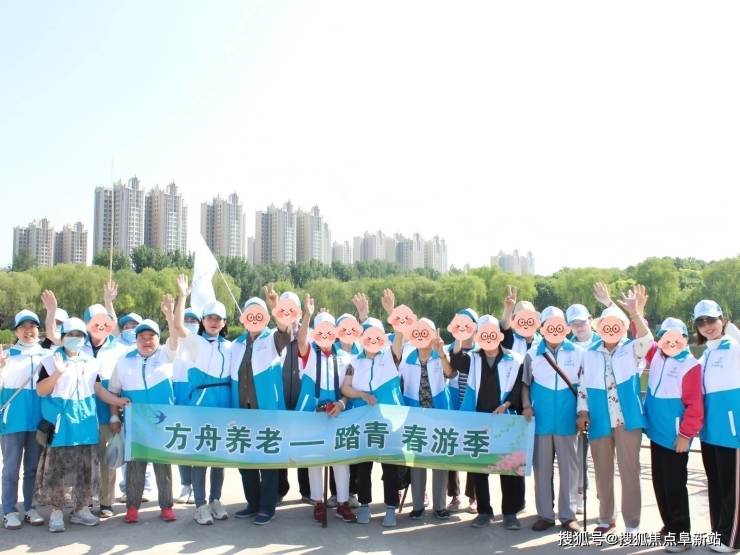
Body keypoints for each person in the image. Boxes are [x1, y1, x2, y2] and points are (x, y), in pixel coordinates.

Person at [35, 317, 129, 533]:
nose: (75, 339)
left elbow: (99, 389)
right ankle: (56, 512)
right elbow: (41, 390)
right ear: (63, 337)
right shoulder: (51, 360)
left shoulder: (91, 362)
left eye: (79, 335)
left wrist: (117, 401)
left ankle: (81, 509)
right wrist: (58, 372)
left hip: (85, 422)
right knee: (57, 470)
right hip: (61, 424)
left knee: (86, 469)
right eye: (70, 335)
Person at [577, 285, 652, 535]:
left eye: (615, 325)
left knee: (630, 471)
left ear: (622, 328)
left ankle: (632, 522)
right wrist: (583, 412)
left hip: (626, 419)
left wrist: (634, 313)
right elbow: (583, 386)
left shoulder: (631, 348)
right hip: (599, 419)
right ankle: (606, 518)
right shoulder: (589, 354)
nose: (610, 329)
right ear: (599, 328)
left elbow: (647, 339)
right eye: (605, 325)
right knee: (602, 471)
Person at [108, 299, 179, 524]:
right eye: (142, 337)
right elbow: (113, 391)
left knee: (163, 467)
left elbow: (175, 339)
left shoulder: (167, 355)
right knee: (135, 467)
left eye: (151, 337)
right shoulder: (124, 361)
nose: (147, 341)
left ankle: (166, 506)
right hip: (135, 424)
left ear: (158, 339)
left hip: (163, 423)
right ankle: (132, 508)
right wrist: (114, 416)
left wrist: (169, 316)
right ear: (136, 339)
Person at [171, 275, 234, 525]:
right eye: (209, 318)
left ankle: (215, 499)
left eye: (218, 319)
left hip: (223, 405)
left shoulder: (231, 347)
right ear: (203, 321)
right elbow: (178, 326)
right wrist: (182, 296)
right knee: (200, 457)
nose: (214, 322)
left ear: (224, 322)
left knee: (219, 459)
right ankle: (200, 505)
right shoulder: (195, 342)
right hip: (201, 406)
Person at [340, 289, 405, 527]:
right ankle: (365, 505)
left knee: (390, 467)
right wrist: (362, 395)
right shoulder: (354, 362)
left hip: (389, 422)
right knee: (363, 466)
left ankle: (390, 508)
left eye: (377, 336)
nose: (372, 340)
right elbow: (345, 388)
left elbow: (400, 334)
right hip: (363, 422)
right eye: (367, 335)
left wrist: (392, 311)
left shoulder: (390, 357)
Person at [454, 314, 525, 529]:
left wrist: (507, 404)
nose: (488, 337)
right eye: (483, 334)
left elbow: (519, 387)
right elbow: (456, 361)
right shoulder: (473, 358)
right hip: (479, 418)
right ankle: (484, 511)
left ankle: (510, 513)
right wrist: (459, 335)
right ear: (478, 336)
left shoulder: (515, 359)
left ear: (500, 335)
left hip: (505, 418)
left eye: (492, 333)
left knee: (507, 466)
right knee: (480, 467)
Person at [229, 286, 293, 525]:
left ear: (265, 317)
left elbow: (285, 333)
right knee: (246, 460)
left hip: (267, 412)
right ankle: (253, 503)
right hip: (242, 412)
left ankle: (267, 506)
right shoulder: (236, 344)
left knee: (267, 460)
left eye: (259, 314)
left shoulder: (271, 339)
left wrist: (277, 308)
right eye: (250, 314)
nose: (254, 318)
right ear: (243, 317)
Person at [643, 317, 703, 553]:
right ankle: (670, 526)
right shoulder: (657, 355)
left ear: (685, 339)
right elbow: (642, 336)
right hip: (656, 433)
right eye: (666, 337)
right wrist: (636, 312)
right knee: (660, 484)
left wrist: (686, 435)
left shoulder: (690, 365)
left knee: (675, 486)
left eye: (677, 338)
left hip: (675, 437)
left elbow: (695, 405)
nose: (671, 342)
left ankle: (681, 534)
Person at [521, 306, 582, 532]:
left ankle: (568, 516)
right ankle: (545, 515)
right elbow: (525, 384)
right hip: (541, 420)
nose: (554, 330)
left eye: (558, 325)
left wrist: (583, 412)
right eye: (549, 325)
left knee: (569, 470)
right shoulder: (532, 354)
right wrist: (526, 405)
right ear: (542, 328)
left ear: (565, 327)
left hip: (568, 419)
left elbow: (584, 387)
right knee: (542, 470)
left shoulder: (578, 353)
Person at [295, 298, 356, 523]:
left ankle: (342, 503)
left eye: (329, 331)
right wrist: (307, 315)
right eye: (320, 331)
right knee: (315, 459)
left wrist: (341, 403)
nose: (325, 335)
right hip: (313, 415)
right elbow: (301, 340)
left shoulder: (346, 358)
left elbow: (348, 388)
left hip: (339, 413)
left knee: (341, 460)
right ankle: (318, 502)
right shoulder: (308, 353)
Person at [693, 299, 740, 553]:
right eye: (701, 322)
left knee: (732, 488)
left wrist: (731, 329)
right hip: (710, 432)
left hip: (732, 432)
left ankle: (732, 540)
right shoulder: (706, 354)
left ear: (722, 319)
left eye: (711, 319)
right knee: (716, 485)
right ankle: (719, 532)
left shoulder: (733, 346)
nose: (707, 325)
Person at [397, 317, 456, 521]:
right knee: (417, 462)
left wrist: (441, 353)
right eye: (419, 332)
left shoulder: (440, 354)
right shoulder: (408, 359)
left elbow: (450, 373)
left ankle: (439, 506)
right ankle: (418, 506)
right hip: (415, 415)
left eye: (427, 332)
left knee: (439, 461)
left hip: (439, 414)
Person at [0, 310, 49, 529]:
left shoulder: (47, 355)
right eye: (23, 327)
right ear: (16, 331)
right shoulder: (7, 355)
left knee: (33, 468)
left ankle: (31, 507)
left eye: (33, 326)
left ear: (38, 329)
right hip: (13, 421)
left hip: (38, 421)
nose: (28, 331)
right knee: (11, 468)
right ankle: (9, 510)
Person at [565, 302, 599, 514]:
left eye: (582, 322)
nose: (579, 327)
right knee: (579, 455)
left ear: (590, 320)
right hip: (577, 407)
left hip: (602, 406)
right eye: (574, 323)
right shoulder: (567, 346)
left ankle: (606, 502)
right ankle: (580, 495)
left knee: (603, 456)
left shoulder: (603, 341)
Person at [446, 308, 479, 514]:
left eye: (467, 324)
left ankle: (473, 496)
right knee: (451, 448)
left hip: (474, 407)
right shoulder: (447, 349)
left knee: (474, 449)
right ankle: (454, 495)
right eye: (459, 324)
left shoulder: (482, 349)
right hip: (453, 405)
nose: (464, 328)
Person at [172, 306, 201, 505]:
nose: (190, 324)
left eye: (193, 321)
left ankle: (199, 488)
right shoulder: (173, 345)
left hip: (198, 401)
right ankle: (185, 485)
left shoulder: (202, 346)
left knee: (199, 444)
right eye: (186, 320)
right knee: (182, 444)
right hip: (179, 399)